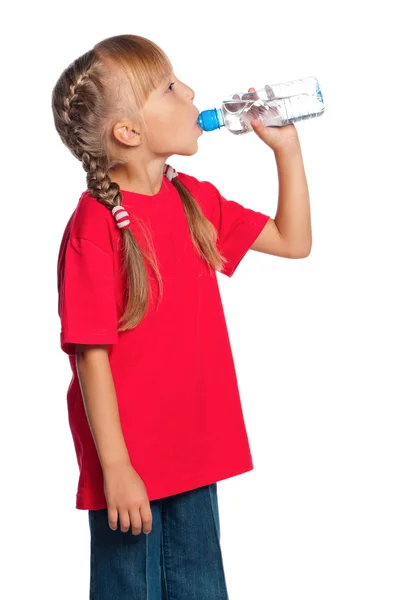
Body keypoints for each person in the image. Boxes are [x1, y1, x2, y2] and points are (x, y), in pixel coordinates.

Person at [52, 34, 311, 600]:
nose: (191, 92)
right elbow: (91, 355)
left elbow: (294, 242)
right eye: (169, 87)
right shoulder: (96, 225)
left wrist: (285, 150)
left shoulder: (192, 198)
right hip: (130, 470)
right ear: (129, 132)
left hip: (195, 454)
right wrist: (116, 468)